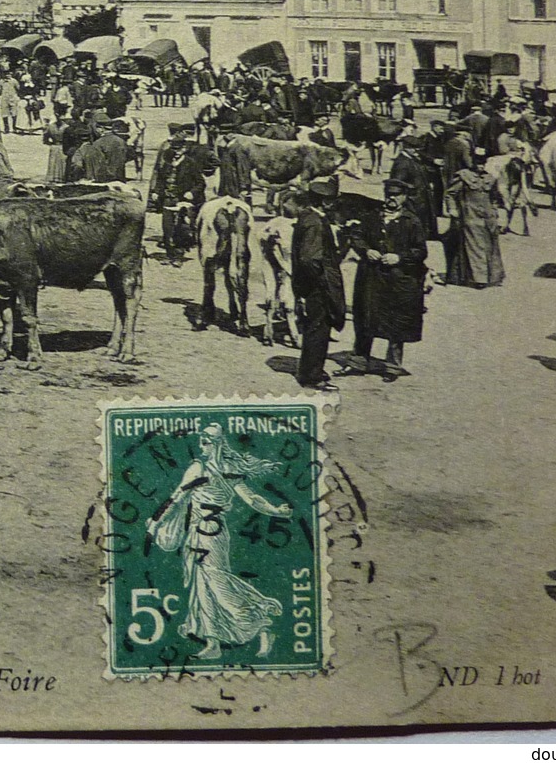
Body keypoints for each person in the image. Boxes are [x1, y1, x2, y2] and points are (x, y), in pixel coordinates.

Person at [146, 423, 292, 660]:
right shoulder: (200, 467)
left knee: (215, 581)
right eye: (201, 439)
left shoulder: (218, 468)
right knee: (201, 585)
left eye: (207, 440)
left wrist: (276, 511)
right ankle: (212, 643)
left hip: (212, 532)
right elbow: (177, 497)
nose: (202, 443)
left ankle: (261, 620)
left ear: (218, 443)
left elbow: (251, 499)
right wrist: (157, 521)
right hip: (198, 531)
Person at [348, 178, 429, 382]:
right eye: (388, 194)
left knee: (396, 323)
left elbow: (420, 251)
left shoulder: (412, 221)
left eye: (396, 195)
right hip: (372, 277)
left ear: (404, 197)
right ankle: (359, 361)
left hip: (399, 280)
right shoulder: (372, 216)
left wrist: (399, 257)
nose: (391, 199)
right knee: (366, 318)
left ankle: (392, 366)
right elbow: (356, 236)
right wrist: (366, 250)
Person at [291, 180, 344, 391]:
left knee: (315, 327)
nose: (332, 204)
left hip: (310, 284)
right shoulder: (315, 223)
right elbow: (309, 259)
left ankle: (309, 370)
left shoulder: (307, 216)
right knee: (318, 329)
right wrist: (322, 280)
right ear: (323, 202)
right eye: (330, 200)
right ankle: (311, 376)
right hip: (316, 287)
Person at [445, 148, 506, 288]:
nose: (480, 166)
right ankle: (479, 278)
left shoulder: (490, 178)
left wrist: (496, 213)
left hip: (488, 217)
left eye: (482, 163)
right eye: (477, 162)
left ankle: (493, 276)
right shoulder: (464, 176)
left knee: (491, 247)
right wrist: (452, 209)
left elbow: (495, 198)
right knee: (475, 247)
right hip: (470, 216)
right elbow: (450, 194)